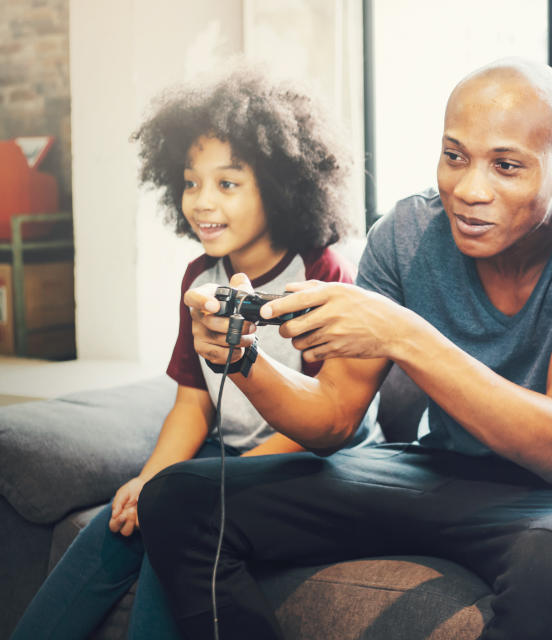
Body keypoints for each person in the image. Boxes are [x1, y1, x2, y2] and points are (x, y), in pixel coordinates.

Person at [135, 58, 552, 639]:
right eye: (455, 156)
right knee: (178, 501)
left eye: (506, 166)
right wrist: (242, 360)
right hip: (433, 471)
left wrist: (402, 334)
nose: (469, 190)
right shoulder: (406, 231)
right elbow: (333, 418)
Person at [11, 68, 378, 640]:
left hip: (314, 465)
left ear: (282, 186)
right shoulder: (200, 277)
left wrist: (183, 488)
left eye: (227, 184)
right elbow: (192, 405)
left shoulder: (322, 273)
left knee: (177, 529)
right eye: (189, 182)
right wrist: (151, 478)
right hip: (224, 456)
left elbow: (327, 422)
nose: (201, 202)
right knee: (113, 526)